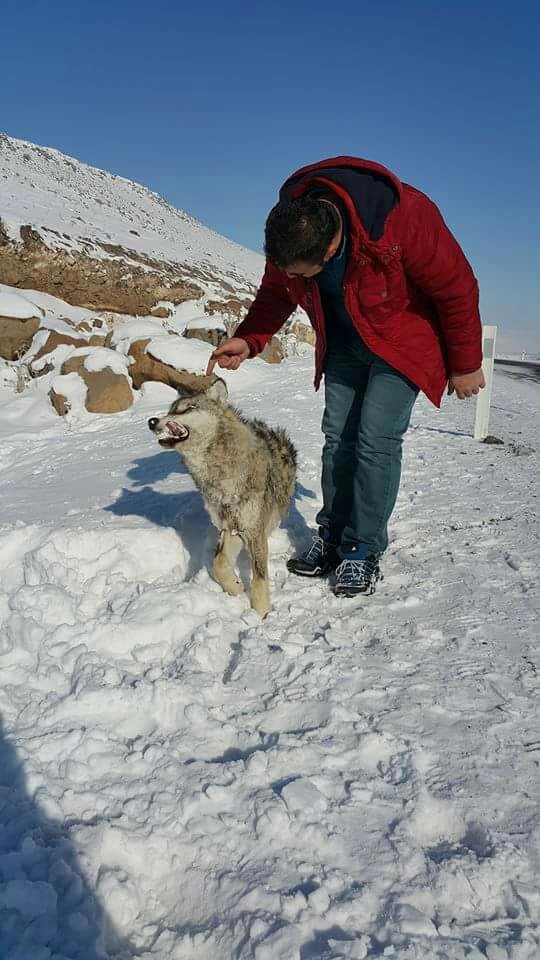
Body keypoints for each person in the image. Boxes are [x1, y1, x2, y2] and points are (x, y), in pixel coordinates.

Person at [206, 156, 485, 597]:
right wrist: (249, 338)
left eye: (300, 272)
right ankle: (333, 534)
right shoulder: (291, 227)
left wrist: (465, 364)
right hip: (344, 346)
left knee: (375, 441)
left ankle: (363, 547)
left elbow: (456, 288)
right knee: (338, 439)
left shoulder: (404, 217)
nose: (290, 276)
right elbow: (276, 293)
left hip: (401, 345)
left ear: (330, 247)